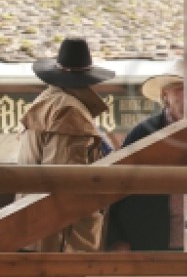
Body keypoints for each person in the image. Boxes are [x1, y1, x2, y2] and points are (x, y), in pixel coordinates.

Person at [19, 37, 117, 252]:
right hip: (62, 236)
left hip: (38, 227)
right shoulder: (69, 111)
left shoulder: (48, 100)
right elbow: (66, 181)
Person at [106, 60, 187, 251]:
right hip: (151, 241)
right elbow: (117, 186)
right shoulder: (143, 134)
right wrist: (117, 238)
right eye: (180, 89)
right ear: (165, 95)